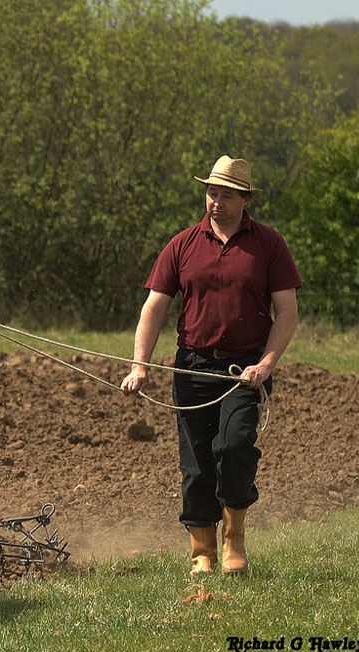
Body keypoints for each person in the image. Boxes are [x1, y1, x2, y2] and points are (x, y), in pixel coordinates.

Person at [120, 155, 301, 576]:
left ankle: (233, 538)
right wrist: (139, 366)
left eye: (225, 195)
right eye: (211, 193)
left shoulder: (269, 245)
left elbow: (287, 313)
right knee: (196, 462)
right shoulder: (182, 244)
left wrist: (266, 365)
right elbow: (154, 308)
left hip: (244, 371)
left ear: (245, 199)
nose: (215, 202)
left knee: (234, 446)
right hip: (192, 367)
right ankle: (202, 550)